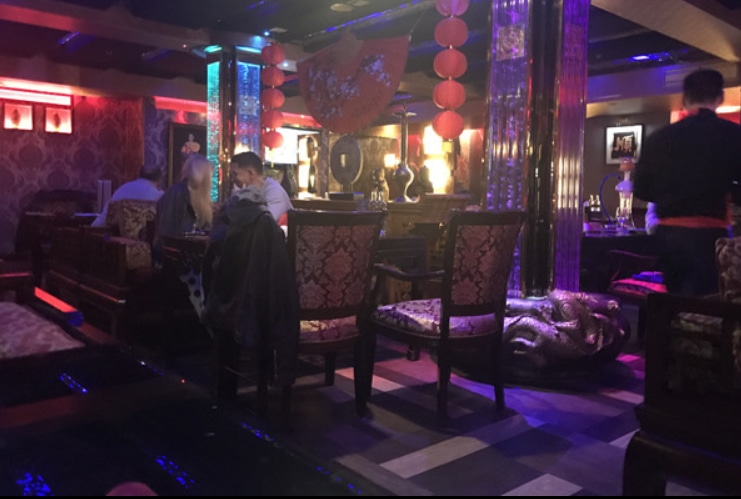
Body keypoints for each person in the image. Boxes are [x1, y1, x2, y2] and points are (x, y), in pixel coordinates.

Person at [633, 68, 741, 296]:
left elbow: (642, 189)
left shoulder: (660, 138)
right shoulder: (733, 135)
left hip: (669, 234)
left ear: (685, 99)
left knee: (675, 299)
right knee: (708, 302)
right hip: (712, 233)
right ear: (719, 98)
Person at [202, 182, 300, 388]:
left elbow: (211, 267)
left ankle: (223, 380)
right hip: (284, 312)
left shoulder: (228, 219)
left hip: (239, 307)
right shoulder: (267, 222)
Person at [229, 151, 293, 223]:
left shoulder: (274, 191)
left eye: (235, 174)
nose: (232, 179)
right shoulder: (240, 190)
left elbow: (265, 222)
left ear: (250, 173)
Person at [91, 165, 163, 227]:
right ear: (159, 181)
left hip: (113, 236)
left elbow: (103, 218)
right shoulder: (159, 196)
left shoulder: (122, 189)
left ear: (139, 175)